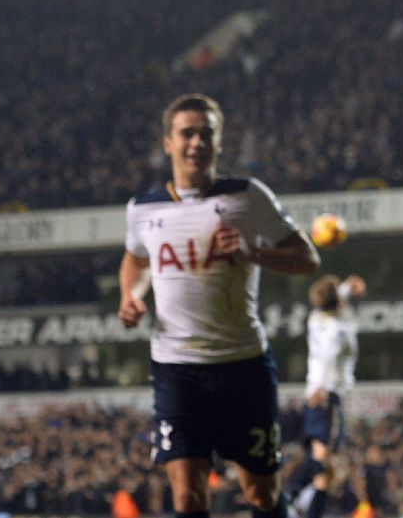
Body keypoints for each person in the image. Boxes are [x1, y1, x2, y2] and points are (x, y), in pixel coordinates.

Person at [118, 93, 320, 518]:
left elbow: (307, 259)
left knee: (261, 493)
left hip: (242, 365)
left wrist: (255, 252)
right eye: (186, 133)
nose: (196, 143)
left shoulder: (247, 196)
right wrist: (130, 297)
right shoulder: (142, 209)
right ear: (168, 142)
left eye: (205, 134)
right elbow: (136, 259)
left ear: (219, 143)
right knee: (187, 498)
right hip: (176, 369)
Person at [291, 273, 366, 518]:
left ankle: (309, 511)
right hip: (327, 397)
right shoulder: (337, 328)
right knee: (324, 460)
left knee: (326, 469)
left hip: (314, 393)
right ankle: (288, 496)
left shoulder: (316, 319)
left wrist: (345, 288)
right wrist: (322, 388)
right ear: (338, 302)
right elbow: (327, 356)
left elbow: (332, 301)